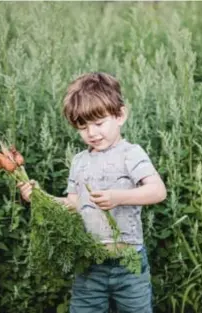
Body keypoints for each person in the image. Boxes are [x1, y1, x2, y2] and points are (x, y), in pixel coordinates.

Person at [18, 72, 167, 313]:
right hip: (89, 262)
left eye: (98, 123)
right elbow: (73, 204)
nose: (92, 133)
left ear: (120, 115)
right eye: (83, 127)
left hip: (129, 263)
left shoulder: (131, 154)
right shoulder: (80, 161)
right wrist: (40, 197)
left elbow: (158, 191)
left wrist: (119, 197)